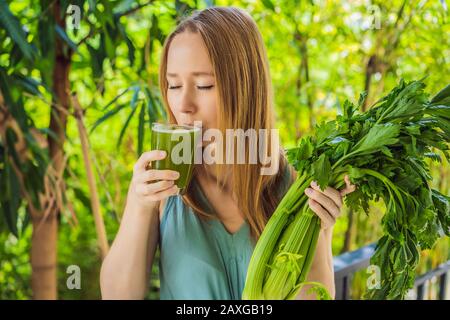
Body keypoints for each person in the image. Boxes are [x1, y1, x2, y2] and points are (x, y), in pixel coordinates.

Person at [100, 6, 356, 300]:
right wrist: (138, 204)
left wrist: (320, 232)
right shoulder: (161, 187)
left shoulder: (296, 185)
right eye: (173, 85)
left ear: (246, 89)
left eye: (204, 85)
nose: (183, 104)